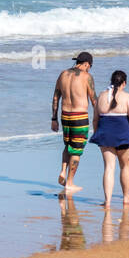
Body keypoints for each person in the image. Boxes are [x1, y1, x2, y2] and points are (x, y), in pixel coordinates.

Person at [89, 69, 129, 205]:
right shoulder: (127, 97)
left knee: (109, 168)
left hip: (105, 134)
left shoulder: (101, 96)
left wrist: (97, 133)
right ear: (124, 83)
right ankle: (126, 197)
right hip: (123, 134)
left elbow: (95, 119)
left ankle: (108, 201)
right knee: (125, 167)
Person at [51, 52, 96, 195]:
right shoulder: (87, 77)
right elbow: (94, 100)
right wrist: (100, 118)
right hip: (80, 116)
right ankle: (69, 183)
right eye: (90, 66)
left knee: (68, 145)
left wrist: (54, 119)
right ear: (87, 64)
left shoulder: (62, 74)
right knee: (76, 150)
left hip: (65, 116)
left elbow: (55, 98)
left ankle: (63, 171)